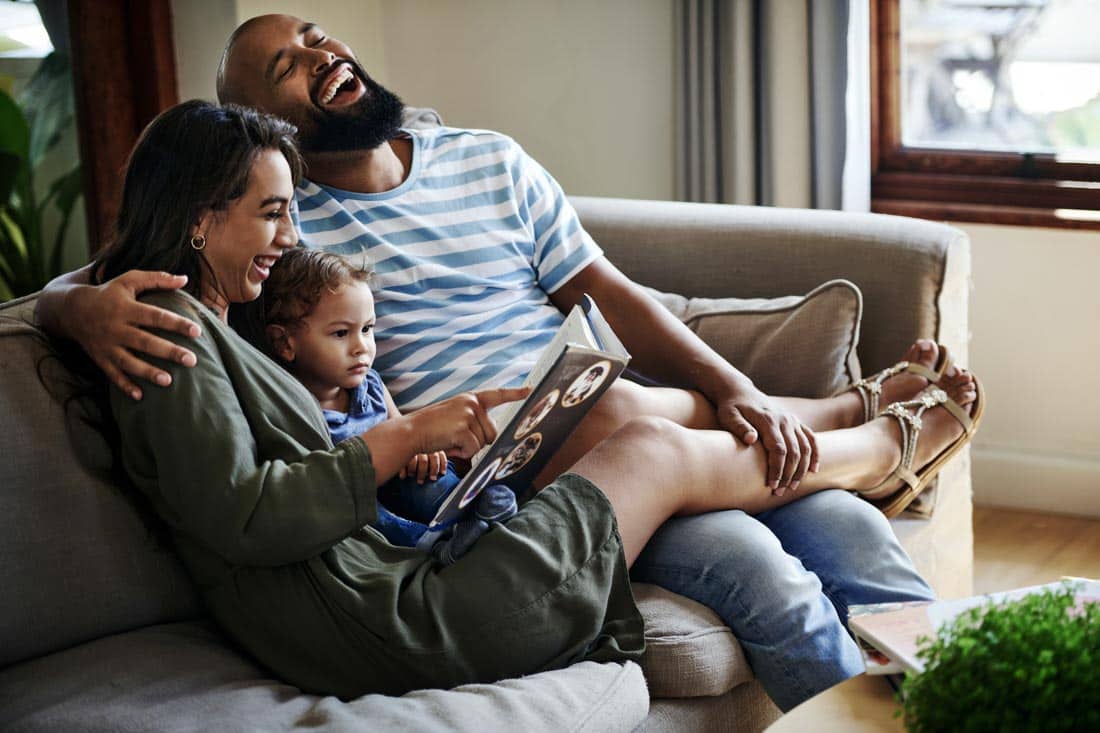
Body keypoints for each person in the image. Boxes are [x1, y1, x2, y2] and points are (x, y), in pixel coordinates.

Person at [34, 15, 981, 709]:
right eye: (286, 65)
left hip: (589, 418)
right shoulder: (270, 235)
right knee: (742, 547)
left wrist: (735, 389)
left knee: (842, 527)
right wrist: (67, 304)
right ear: (248, 133)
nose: (323, 56)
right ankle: (867, 429)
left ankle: (966, 678)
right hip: (501, 472)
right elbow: (115, 268)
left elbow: (609, 296)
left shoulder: (482, 161)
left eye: (320, 36)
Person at [258, 245, 517, 557]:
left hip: (403, 485)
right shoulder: (295, 407)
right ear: (284, 342)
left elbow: (404, 430)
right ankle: (434, 543)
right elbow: (323, 487)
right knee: (369, 518)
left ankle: (470, 507)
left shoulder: (370, 385)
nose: (361, 347)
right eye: (341, 333)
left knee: (430, 478)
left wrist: (423, 453)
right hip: (361, 503)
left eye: (367, 329)